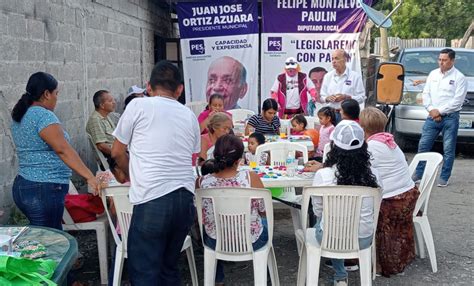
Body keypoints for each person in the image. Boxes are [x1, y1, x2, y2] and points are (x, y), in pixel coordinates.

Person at [111, 61, 201, 285]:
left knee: (145, 273)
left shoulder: (138, 106)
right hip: (184, 200)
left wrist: (132, 173)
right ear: (179, 89)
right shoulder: (189, 115)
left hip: (152, 200)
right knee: (168, 269)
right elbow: (192, 159)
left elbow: (116, 151)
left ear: (149, 87)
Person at [11, 72, 100, 230]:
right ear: (46, 94)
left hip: (25, 184)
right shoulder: (44, 117)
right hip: (43, 188)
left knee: (43, 236)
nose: (57, 98)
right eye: (56, 93)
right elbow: (63, 150)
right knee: (48, 240)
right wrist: (89, 177)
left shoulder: (22, 114)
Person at [311, 120, 382, 286]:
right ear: (364, 147)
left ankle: (340, 274)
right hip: (364, 238)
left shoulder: (324, 175)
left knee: (326, 224)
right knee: (339, 226)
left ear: (333, 147)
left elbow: (318, 211)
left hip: (330, 239)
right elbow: (375, 206)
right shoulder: (374, 175)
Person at [196, 134, 268, 284]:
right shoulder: (250, 178)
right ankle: (265, 275)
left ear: (215, 155)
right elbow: (264, 210)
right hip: (251, 240)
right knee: (264, 222)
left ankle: (217, 278)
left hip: (215, 241)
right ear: (239, 159)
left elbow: (201, 214)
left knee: (214, 226)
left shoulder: (201, 182)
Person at [359, 107, 419, 277]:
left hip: (393, 200)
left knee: (357, 207)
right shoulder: (388, 141)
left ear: (363, 128)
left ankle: (357, 255)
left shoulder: (372, 146)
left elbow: (362, 173)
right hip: (408, 195)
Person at [414, 48, 467, 187]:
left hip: (450, 117)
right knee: (423, 145)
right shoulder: (433, 74)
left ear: (452, 61)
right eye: (440, 60)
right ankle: (418, 174)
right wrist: (432, 110)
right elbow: (426, 94)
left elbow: (457, 101)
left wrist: (440, 112)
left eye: (444, 60)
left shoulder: (459, 78)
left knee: (448, 149)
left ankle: (444, 177)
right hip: (432, 117)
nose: (441, 63)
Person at [320, 49, 366, 123]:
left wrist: (346, 97)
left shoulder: (355, 76)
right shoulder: (328, 76)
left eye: (336, 58)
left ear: (345, 59)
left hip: (348, 116)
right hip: (330, 115)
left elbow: (362, 97)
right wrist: (327, 98)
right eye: (332, 59)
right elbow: (322, 97)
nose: (333, 61)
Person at [86, 90, 117, 157]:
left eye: (113, 100)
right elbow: (101, 146)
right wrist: (120, 155)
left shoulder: (106, 117)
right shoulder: (95, 120)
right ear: (102, 105)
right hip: (111, 158)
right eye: (110, 101)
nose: (114, 102)